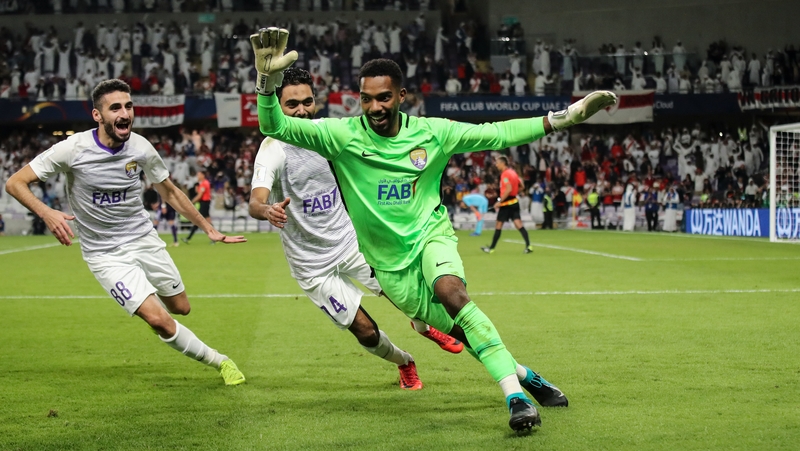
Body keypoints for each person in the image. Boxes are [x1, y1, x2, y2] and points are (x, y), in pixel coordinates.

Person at [250, 27, 616, 432]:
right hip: (389, 266)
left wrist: (565, 117)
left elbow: (496, 133)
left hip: (430, 237)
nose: (374, 107)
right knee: (459, 328)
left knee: (451, 292)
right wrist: (266, 84)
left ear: (401, 96)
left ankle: (515, 400)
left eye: (384, 97)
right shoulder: (340, 137)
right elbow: (274, 127)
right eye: (367, 98)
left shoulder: (432, 133)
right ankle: (527, 377)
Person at [4, 79, 247, 385]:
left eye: (129, 106)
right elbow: (14, 182)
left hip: (144, 240)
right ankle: (220, 361)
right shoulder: (72, 149)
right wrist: (46, 212)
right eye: (115, 107)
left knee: (181, 308)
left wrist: (209, 229)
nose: (125, 113)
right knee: (159, 319)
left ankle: (151, 304)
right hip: (104, 254)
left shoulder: (141, 147)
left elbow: (170, 192)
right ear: (97, 115)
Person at [248, 68, 463, 391]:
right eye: (291, 105)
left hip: (351, 243)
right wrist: (266, 209)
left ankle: (425, 325)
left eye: (307, 102)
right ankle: (404, 361)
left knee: (402, 292)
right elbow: (255, 200)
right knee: (366, 331)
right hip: (311, 264)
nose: (301, 110)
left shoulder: (328, 134)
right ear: (277, 107)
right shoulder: (273, 149)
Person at [481, 156, 533, 254]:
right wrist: (514, 193)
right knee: (519, 224)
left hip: (506, 204)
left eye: (497, 163)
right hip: (514, 202)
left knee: (498, 225)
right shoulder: (513, 173)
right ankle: (528, 246)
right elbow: (522, 186)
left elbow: (508, 189)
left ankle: (491, 248)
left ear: (502, 163)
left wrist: (500, 201)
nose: (496, 165)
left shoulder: (505, 174)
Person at [182, 170, 212, 244]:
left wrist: (191, 203)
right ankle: (215, 237)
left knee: (198, 220)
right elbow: (199, 193)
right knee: (207, 221)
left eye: (198, 175)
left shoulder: (205, 183)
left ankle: (188, 238)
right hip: (204, 203)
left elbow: (199, 195)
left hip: (205, 203)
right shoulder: (202, 184)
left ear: (203, 175)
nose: (197, 177)